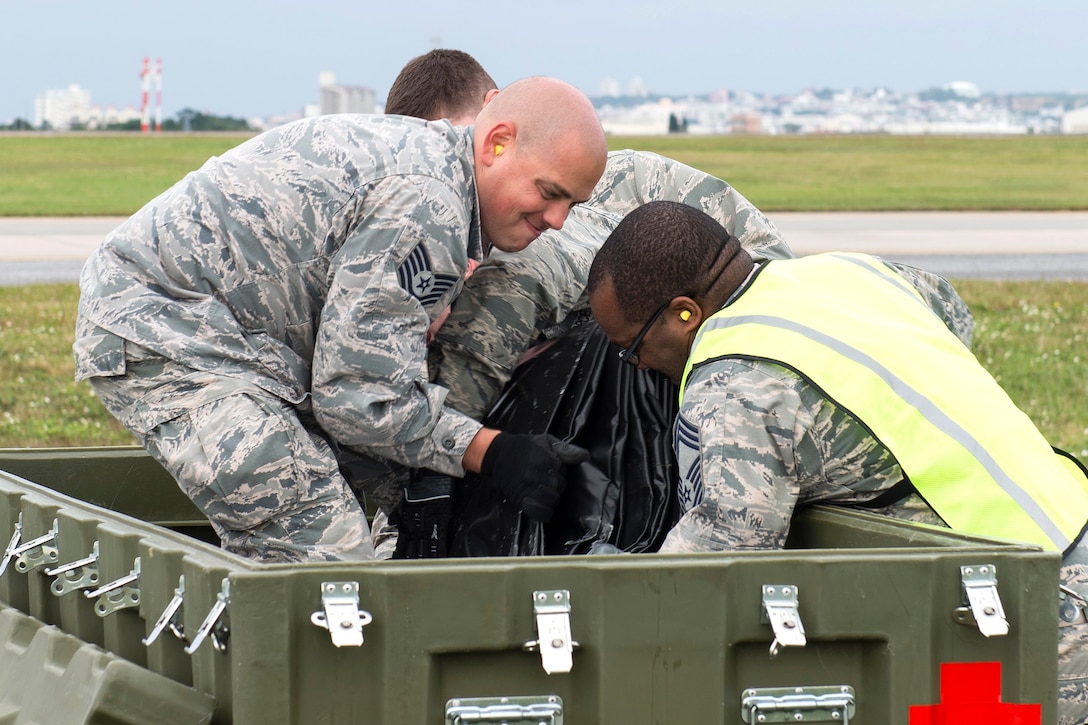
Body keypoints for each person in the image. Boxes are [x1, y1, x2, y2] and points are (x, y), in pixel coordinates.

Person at [374, 48, 976, 558]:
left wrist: (434, 476)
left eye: (450, 142)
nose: (442, 169)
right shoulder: (442, 196)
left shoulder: (560, 204)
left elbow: (712, 560)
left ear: (494, 118)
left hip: (714, 353)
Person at [586, 200, 1088, 723]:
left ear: (685, 313)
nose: (637, 365)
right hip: (1068, 529)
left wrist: (609, 586)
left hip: (1032, 615)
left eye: (632, 348)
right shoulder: (851, 272)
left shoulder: (736, 382)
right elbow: (952, 315)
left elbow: (715, 564)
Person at [73, 75, 607, 563]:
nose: (557, 221)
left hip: (227, 338)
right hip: (166, 331)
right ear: (497, 143)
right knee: (330, 554)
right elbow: (356, 398)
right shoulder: (429, 205)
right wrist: (492, 452)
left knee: (343, 498)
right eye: (549, 192)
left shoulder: (431, 170)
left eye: (573, 205)